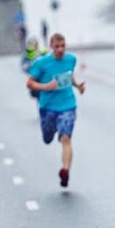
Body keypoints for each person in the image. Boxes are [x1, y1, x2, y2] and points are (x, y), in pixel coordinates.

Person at [27, 33, 85, 188]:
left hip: (67, 104)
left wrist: (78, 85)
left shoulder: (71, 59)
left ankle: (65, 171)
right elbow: (30, 83)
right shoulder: (41, 63)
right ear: (51, 46)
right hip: (48, 107)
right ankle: (50, 133)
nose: (60, 49)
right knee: (47, 138)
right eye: (57, 46)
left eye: (63, 46)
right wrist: (46, 86)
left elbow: (69, 76)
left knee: (66, 138)